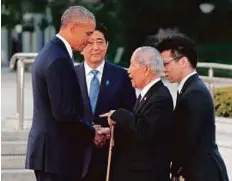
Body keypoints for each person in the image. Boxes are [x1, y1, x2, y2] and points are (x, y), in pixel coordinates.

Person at [25, 6, 107, 181]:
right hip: (56, 156)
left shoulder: (50, 52)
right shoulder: (59, 59)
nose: (89, 40)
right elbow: (63, 112)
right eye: (87, 34)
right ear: (73, 27)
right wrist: (92, 133)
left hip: (51, 155)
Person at [156, 35, 229, 181]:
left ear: (183, 62)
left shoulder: (194, 93)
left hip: (203, 174)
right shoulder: (188, 89)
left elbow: (187, 141)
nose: (164, 70)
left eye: (166, 64)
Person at [101, 46, 173, 181]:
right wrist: (111, 131)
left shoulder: (160, 97)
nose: (128, 71)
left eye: (132, 65)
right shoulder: (147, 95)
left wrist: (118, 114)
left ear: (145, 69)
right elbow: (136, 129)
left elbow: (144, 130)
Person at [75, 24, 136, 181]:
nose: (95, 47)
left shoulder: (122, 76)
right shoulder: (70, 75)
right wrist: (89, 132)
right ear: (81, 47)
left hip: (111, 157)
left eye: (100, 42)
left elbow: (131, 114)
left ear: (107, 45)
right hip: (77, 156)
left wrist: (109, 131)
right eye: (90, 42)